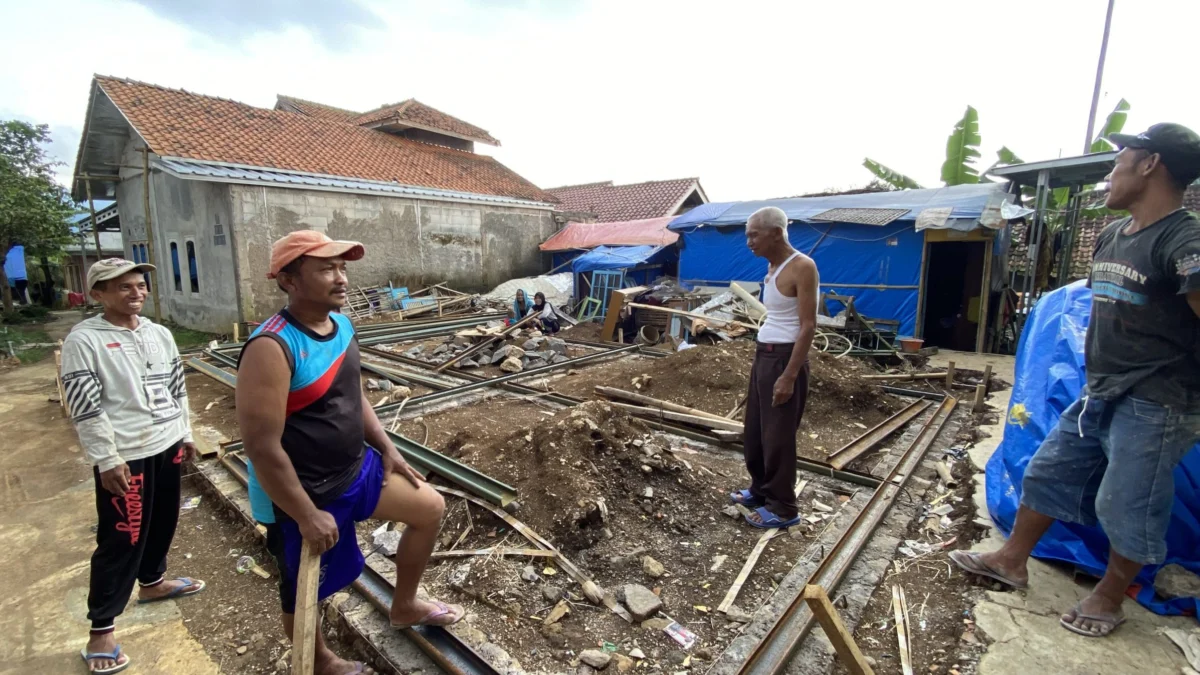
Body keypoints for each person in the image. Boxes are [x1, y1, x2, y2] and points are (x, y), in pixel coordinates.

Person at [951, 123, 1200, 638]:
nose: (1110, 174)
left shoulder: (1184, 241)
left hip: (1158, 399)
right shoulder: (1114, 235)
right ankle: (1010, 561)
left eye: (1118, 162)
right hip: (1100, 388)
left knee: (1126, 502)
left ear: (1150, 164)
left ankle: (1109, 597)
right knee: (1048, 472)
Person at [237, 231, 462, 675]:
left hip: (356, 468)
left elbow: (351, 395)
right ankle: (320, 661)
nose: (341, 279)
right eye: (326, 269)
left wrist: (386, 447)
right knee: (305, 588)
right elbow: (261, 447)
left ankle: (405, 606)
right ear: (288, 280)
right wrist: (304, 514)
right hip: (305, 491)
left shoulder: (340, 325)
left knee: (429, 507)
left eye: (343, 268)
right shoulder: (272, 347)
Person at [61, 258, 204, 674]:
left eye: (140, 285)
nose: (137, 293)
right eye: (123, 287)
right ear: (98, 294)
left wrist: (186, 432)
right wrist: (107, 459)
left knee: (164, 520)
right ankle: (101, 630)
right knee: (122, 537)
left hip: (166, 445)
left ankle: (154, 582)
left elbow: (177, 388)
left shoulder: (158, 334)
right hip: (125, 455)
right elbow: (85, 408)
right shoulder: (84, 340)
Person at [729, 207, 818, 529]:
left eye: (754, 234)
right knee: (755, 432)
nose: (749, 241)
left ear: (776, 233)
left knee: (778, 436)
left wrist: (789, 375)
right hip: (764, 357)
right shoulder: (772, 267)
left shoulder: (803, 267)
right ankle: (760, 490)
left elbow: (808, 326)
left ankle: (784, 508)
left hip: (784, 359)